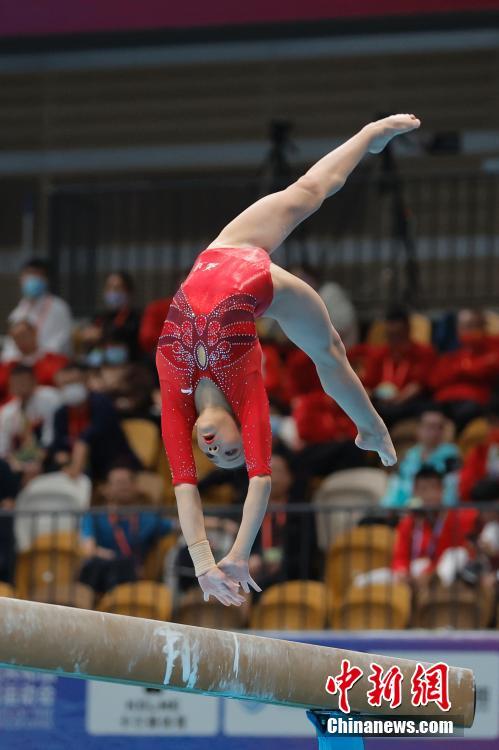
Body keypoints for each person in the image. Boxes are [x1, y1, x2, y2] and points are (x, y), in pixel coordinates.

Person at [156, 114, 417, 606]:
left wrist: (205, 562)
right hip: (262, 285)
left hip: (223, 250)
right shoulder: (246, 393)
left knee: (307, 192)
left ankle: (367, 137)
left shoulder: (175, 391)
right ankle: (373, 428)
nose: (215, 450)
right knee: (330, 349)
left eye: (213, 456)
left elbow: (183, 487)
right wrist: (236, 553)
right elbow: (261, 481)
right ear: (240, 428)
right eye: (230, 451)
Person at [79, 464, 175, 594]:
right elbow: (88, 549)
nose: (123, 486)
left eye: (127, 482)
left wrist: (204, 526)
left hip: (133, 577)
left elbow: (178, 525)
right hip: (101, 575)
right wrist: (110, 556)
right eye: (118, 483)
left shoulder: (146, 518)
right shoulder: (94, 515)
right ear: (106, 489)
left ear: (136, 487)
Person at [48, 363, 141, 480]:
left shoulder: (102, 403)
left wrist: (75, 466)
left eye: (74, 382)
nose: (70, 388)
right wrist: (62, 459)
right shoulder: (60, 413)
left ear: (86, 382)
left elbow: (88, 438)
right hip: (80, 465)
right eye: (65, 384)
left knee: (118, 477)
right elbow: (59, 446)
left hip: (112, 460)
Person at [392, 466, 477, 585]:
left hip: (441, 572)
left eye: (434, 488)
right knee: (364, 581)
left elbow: (452, 554)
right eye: (423, 489)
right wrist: (402, 570)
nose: (429, 494)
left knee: (455, 555)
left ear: (442, 490)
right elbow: (400, 555)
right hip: (414, 572)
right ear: (415, 492)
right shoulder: (408, 522)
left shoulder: (455, 518)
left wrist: (430, 572)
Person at [362, 305, 436, 426]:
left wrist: (398, 399)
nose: (395, 340)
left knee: (427, 406)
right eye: (391, 335)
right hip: (381, 403)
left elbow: (418, 385)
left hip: (407, 403)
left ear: (408, 330)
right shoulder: (378, 354)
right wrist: (375, 396)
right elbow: (367, 386)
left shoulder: (423, 353)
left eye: (398, 335)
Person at [429, 309, 499, 430]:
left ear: (483, 327)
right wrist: (464, 369)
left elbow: (488, 369)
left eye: (473, 326)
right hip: (446, 400)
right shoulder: (452, 353)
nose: (469, 331)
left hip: (474, 401)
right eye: (464, 327)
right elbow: (435, 380)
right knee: (428, 412)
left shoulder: (493, 346)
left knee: (465, 412)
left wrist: (460, 370)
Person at [381, 408, 460, 508]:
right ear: (419, 429)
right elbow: (397, 485)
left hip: (437, 509)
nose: (435, 432)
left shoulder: (451, 454)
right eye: (430, 427)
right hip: (406, 509)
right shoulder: (409, 455)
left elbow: (452, 488)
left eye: (439, 427)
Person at [2, 258, 73, 361]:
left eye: (36, 275)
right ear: (21, 279)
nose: (31, 279)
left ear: (46, 279)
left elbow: (61, 343)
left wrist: (34, 357)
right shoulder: (17, 313)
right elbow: (10, 347)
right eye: (28, 274)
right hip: (22, 367)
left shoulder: (59, 307)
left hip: (49, 364)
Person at [0, 365, 61, 484]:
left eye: (23, 381)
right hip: (20, 459)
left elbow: (50, 436)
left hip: (47, 454)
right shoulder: (8, 411)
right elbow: (3, 446)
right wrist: (14, 463)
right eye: (16, 383)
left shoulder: (50, 398)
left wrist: (38, 461)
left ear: (34, 381)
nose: (20, 386)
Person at [0, 319, 68, 402]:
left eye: (23, 335)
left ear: (34, 333)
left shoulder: (56, 361)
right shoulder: (9, 367)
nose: (20, 341)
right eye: (16, 338)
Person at [80, 271, 142, 361]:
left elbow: (127, 335)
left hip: (127, 366)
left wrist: (101, 334)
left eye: (117, 288)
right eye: (109, 287)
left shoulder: (135, 317)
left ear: (129, 292)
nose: (112, 292)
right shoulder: (100, 318)